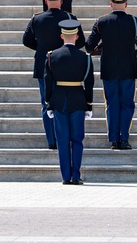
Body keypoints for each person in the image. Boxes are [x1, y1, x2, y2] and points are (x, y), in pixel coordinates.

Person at [84, 0, 137, 150]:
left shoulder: (101, 22)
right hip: (128, 68)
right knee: (127, 104)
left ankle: (114, 139)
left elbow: (88, 46)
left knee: (112, 104)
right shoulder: (134, 22)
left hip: (109, 69)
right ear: (126, 4)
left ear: (111, 4)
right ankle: (124, 138)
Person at [22, 0, 86, 150]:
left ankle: (52, 140)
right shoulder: (69, 18)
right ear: (61, 1)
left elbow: (26, 40)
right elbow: (80, 42)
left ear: (46, 1)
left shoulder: (37, 19)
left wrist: (42, 48)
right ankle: (65, 137)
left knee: (47, 104)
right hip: (65, 66)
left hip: (44, 65)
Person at [44, 18, 94, 185]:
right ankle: (76, 175)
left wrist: (48, 103)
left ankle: (65, 176)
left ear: (61, 36)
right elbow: (89, 83)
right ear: (78, 36)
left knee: (63, 139)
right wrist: (89, 104)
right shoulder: (85, 57)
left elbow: (48, 81)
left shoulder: (52, 56)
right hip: (78, 100)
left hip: (58, 100)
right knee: (77, 139)